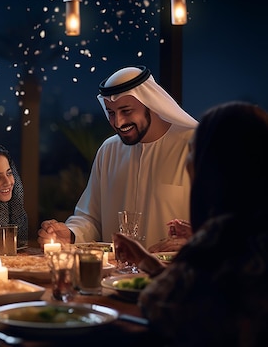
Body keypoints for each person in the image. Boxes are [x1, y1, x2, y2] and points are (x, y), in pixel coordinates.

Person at [114, 101, 268, 346]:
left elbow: (158, 304)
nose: (187, 161)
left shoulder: (223, 236)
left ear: (214, 166)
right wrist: (151, 265)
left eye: (194, 150)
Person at [38, 65, 198, 250]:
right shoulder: (109, 150)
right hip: (115, 277)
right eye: (111, 113)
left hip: (177, 273)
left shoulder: (195, 146)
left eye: (126, 111)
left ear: (151, 104)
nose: (118, 122)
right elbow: (90, 217)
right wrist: (71, 234)